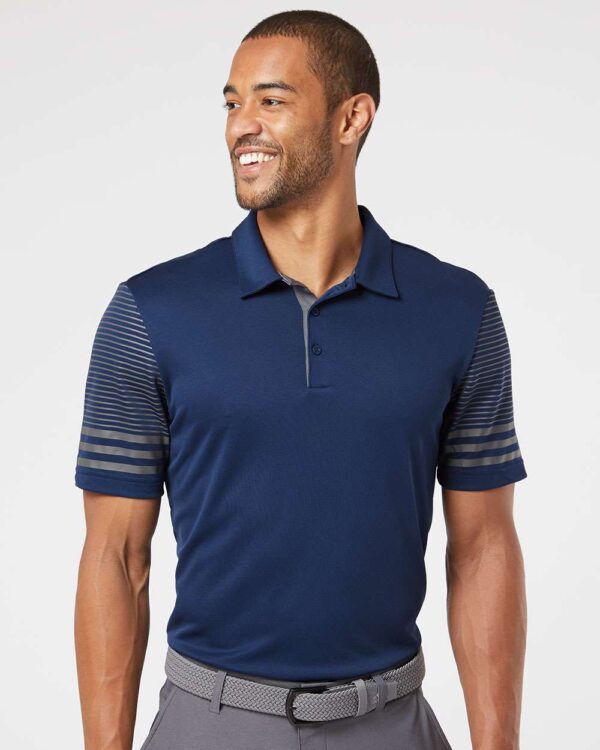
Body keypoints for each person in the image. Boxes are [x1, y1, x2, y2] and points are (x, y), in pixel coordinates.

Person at [73, 10, 528, 750]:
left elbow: (483, 548)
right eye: (232, 102)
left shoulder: (458, 310)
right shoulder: (150, 313)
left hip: (392, 723)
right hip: (209, 725)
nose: (241, 125)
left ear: (352, 117)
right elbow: (116, 559)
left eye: (272, 100)